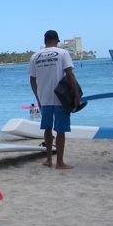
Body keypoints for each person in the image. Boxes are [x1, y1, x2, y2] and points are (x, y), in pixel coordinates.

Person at [29, 30, 80, 169]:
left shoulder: (35, 56)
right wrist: (77, 96)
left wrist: (38, 98)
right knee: (60, 130)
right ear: (57, 40)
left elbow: (32, 81)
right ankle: (60, 163)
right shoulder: (63, 53)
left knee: (47, 128)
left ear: (45, 41)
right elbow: (70, 76)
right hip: (60, 98)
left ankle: (48, 160)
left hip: (44, 98)